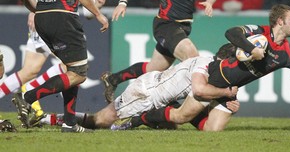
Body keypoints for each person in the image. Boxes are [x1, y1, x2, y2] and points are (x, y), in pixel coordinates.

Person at [130, 4, 290, 131]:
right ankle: (141, 118)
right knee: (180, 117)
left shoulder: (288, 54)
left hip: (231, 89)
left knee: (211, 131)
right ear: (280, 21)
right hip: (214, 77)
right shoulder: (258, 31)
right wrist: (250, 49)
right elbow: (231, 33)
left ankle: (180, 110)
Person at [12, 0, 109, 133]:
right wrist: (98, 14)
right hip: (63, 16)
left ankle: (69, 123)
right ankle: (28, 97)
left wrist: (38, 11)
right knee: (80, 73)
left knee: (70, 70)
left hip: (42, 18)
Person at [41, 44, 239, 131]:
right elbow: (199, 90)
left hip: (160, 94)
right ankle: (48, 119)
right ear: (225, 61)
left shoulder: (212, 68)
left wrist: (226, 101)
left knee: (170, 127)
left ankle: (141, 121)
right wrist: (226, 94)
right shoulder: (204, 65)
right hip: (146, 93)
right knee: (98, 121)